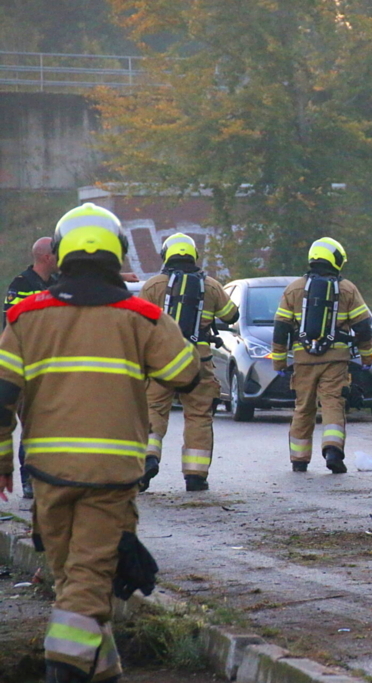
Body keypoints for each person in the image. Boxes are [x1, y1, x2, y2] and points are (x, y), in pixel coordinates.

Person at [0, 203, 199, 683]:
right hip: (111, 476)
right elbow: (185, 374)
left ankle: (104, 673)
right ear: (118, 253)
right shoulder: (141, 315)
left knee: (75, 580)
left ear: (61, 252)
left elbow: (1, 400)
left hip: (47, 474)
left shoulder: (25, 316)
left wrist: (3, 463)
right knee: (89, 580)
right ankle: (63, 669)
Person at [139, 233, 238, 492]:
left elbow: (138, 323)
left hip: (161, 359)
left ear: (166, 255)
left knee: (153, 409)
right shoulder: (211, 286)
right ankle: (195, 475)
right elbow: (231, 315)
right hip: (199, 360)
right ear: (194, 255)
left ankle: (148, 458)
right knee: (198, 415)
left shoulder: (153, 286)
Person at [272, 237, 372, 473]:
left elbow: (281, 329)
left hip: (303, 360)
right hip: (335, 360)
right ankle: (332, 451)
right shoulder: (348, 289)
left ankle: (299, 460)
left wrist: (279, 361)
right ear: (336, 260)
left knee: (303, 408)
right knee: (332, 403)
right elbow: (363, 327)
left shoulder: (293, 289)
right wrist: (367, 358)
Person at [4, 237, 60, 499]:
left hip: (51, 367)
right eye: (57, 255)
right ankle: (29, 480)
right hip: (27, 366)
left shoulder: (56, 283)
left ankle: (48, 477)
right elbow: (14, 326)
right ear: (47, 257)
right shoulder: (22, 285)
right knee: (32, 426)